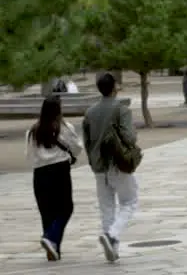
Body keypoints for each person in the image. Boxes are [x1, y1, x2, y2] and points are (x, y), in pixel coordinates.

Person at [83, 72, 140, 263]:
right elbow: (129, 137)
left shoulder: (90, 112)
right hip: (118, 163)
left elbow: (87, 141)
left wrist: (93, 161)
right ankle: (112, 235)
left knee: (106, 208)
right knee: (129, 202)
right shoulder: (122, 109)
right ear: (114, 87)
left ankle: (112, 248)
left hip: (99, 166)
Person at [27, 96, 82, 261]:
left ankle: (53, 249)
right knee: (65, 208)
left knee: (47, 211)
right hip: (59, 170)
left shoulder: (33, 130)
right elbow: (77, 148)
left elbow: (28, 155)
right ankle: (51, 238)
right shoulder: (64, 128)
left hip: (39, 173)